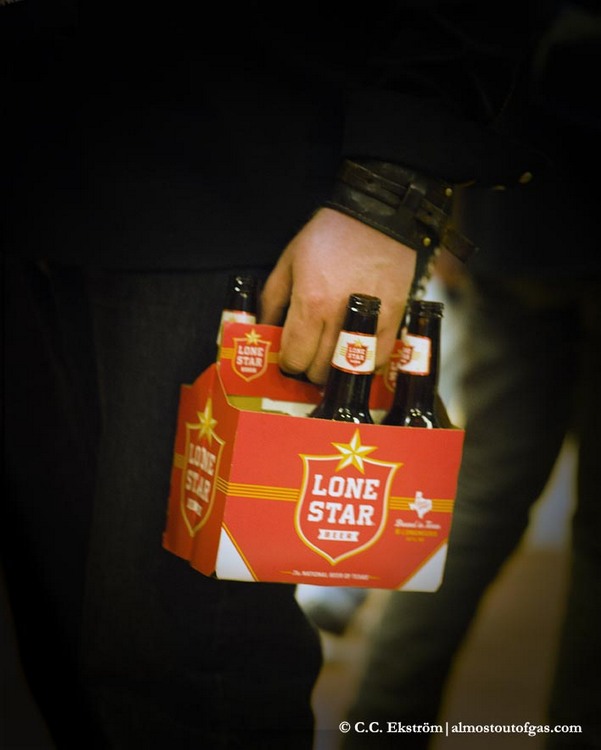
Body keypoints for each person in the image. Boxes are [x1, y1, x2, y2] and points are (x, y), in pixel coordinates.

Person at [2, 2, 597, 748]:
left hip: (235, 193)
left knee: (188, 670)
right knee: (67, 653)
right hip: (38, 178)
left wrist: (389, 193)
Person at [339, 7, 601, 750]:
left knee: (480, 496)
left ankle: (379, 734)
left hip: (523, 217)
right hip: (531, 222)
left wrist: (451, 204)